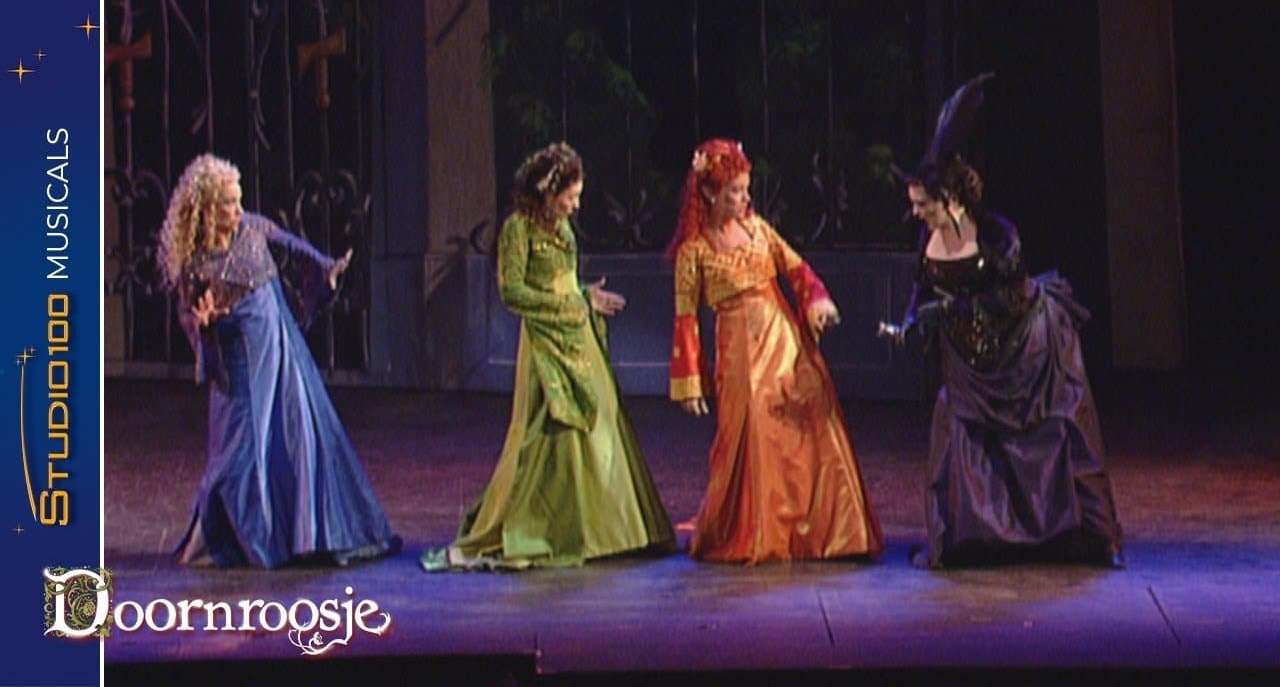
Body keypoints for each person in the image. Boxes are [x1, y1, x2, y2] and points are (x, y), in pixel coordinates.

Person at [878, 73, 1125, 569]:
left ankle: (1076, 534)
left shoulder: (996, 235)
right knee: (958, 432)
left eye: (923, 205)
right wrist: (909, 321)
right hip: (968, 357)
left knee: (1052, 427)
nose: (917, 214)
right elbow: (923, 286)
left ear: (950, 201)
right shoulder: (928, 241)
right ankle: (972, 538)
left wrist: (951, 310)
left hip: (1024, 348)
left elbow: (1009, 300)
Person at [422, 142, 676, 570]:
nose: (575, 206)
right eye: (570, 196)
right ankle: (545, 527)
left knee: (600, 421)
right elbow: (512, 292)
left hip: (578, 337)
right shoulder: (518, 229)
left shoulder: (561, 226)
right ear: (546, 191)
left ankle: (608, 530)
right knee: (551, 428)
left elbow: (566, 280)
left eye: (577, 196)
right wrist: (570, 304)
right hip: (544, 340)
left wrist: (586, 296)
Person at [157, 153, 399, 568]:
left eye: (239, 200)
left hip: (278, 347)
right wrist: (205, 325)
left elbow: (292, 245)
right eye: (228, 204)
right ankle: (240, 538)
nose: (238, 210)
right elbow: (192, 320)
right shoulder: (194, 264)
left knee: (296, 434)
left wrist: (325, 268)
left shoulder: (251, 229)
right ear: (207, 210)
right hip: (237, 363)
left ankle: (304, 536)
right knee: (240, 449)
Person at [666, 138, 883, 565]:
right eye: (735, 191)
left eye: (746, 189)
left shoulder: (758, 228)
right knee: (756, 433)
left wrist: (818, 302)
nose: (744, 198)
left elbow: (795, 266)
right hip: (740, 353)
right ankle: (760, 531)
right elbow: (685, 319)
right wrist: (691, 382)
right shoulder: (694, 251)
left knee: (809, 421)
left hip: (784, 342)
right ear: (709, 192)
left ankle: (821, 531)